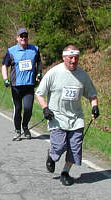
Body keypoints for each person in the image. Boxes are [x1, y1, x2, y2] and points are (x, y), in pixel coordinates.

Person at [35, 44, 99, 186]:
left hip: (76, 119)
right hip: (56, 117)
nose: (73, 61)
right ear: (64, 58)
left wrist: (94, 106)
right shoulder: (53, 73)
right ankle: (52, 156)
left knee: (75, 148)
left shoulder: (82, 75)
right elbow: (39, 93)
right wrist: (45, 108)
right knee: (59, 146)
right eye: (70, 57)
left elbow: (92, 95)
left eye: (76, 58)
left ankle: (65, 172)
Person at [1, 28, 42, 140]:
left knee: (28, 108)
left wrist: (39, 74)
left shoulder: (34, 49)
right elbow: (4, 65)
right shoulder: (11, 51)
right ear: (17, 38)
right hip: (16, 86)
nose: (24, 38)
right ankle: (17, 130)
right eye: (21, 36)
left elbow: (39, 62)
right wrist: (5, 79)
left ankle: (25, 126)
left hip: (29, 85)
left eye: (25, 36)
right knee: (18, 109)